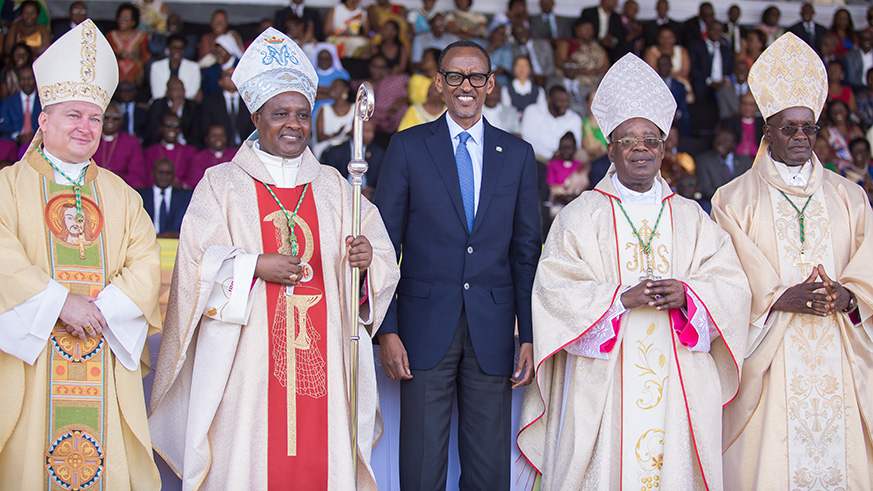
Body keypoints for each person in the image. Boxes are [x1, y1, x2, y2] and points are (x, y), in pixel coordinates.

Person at [148, 27, 400, 489]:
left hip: (321, 359)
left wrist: (365, 266)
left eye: (303, 114)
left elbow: (380, 263)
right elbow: (194, 266)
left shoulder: (337, 189)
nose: (294, 124)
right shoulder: (222, 184)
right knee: (246, 461)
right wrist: (251, 266)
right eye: (280, 113)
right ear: (255, 115)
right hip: (246, 363)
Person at [517, 52, 750, 489]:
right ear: (611, 149)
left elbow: (731, 285)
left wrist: (689, 294)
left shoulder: (692, 217)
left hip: (678, 378)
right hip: (604, 381)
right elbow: (552, 290)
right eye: (628, 140)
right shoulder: (580, 215)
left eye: (650, 140)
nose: (640, 149)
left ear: (664, 148)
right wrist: (620, 299)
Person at [0, 20, 162, 489]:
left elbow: (145, 263)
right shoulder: (8, 187)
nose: (86, 128)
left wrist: (99, 311)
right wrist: (59, 303)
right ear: (43, 119)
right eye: (73, 115)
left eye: (95, 118)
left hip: (101, 354)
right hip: (33, 364)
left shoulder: (122, 195)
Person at [374, 39, 540, 490]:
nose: (465, 86)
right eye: (454, 76)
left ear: (490, 84)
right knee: (422, 467)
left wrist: (528, 333)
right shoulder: (407, 148)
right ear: (440, 84)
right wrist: (386, 329)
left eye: (475, 77)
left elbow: (526, 254)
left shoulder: (519, 155)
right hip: (422, 329)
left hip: (493, 331)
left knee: (489, 472)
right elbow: (384, 245)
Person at [713, 32, 873, 490]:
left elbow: (869, 261)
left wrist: (849, 294)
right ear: (767, 130)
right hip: (770, 351)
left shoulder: (850, 196)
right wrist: (779, 296)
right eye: (788, 128)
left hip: (840, 350)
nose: (801, 137)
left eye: (809, 128)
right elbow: (724, 274)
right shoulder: (734, 198)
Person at [520, 85, 582, 163]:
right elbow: (528, 139)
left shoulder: (575, 118)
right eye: (561, 101)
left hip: (564, 157)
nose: (565, 104)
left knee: (581, 155)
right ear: (549, 100)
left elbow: (576, 144)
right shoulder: (532, 111)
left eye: (567, 101)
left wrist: (560, 155)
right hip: (538, 157)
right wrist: (549, 155)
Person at [93, 101, 146, 187]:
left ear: (121, 121)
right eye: (106, 117)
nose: (110, 121)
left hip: (120, 188)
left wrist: (115, 180)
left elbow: (137, 175)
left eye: (115, 118)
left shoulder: (131, 142)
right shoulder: (90, 139)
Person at [136, 157, 191, 237]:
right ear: (153, 173)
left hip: (174, 244)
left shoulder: (186, 198)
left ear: (173, 175)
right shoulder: (140, 196)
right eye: (160, 172)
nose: (164, 176)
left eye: (168, 173)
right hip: (146, 242)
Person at [199, 67, 253, 148]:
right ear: (220, 82)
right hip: (220, 148)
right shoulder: (210, 102)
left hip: (248, 147)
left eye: (235, 75)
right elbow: (205, 128)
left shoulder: (249, 101)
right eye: (228, 75)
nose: (232, 78)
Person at [696, 127, 752, 203]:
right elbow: (706, 189)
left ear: (734, 144)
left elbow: (749, 186)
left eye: (725, 140)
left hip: (743, 204)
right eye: (717, 139)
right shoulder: (704, 160)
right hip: (716, 205)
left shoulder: (745, 162)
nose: (720, 143)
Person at [143, 113, 196, 186]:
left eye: (176, 126)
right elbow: (147, 177)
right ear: (161, 128)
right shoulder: (150, 151)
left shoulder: (190, 151)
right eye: (168, 126)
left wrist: (182, 184)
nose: (172, 129)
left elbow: (193, 177)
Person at [108, 3, 150, 87]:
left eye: (126, 17)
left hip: (135, 69)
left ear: (133, 21)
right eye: (120, 17)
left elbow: (146, 56)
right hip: (115, 69)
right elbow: (106, 56)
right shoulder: (111, 35)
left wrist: (134, 58)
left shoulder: (142, 36)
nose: (122, 20)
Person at [149, 34, 200, 101]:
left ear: (184, 49)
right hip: (162, 104)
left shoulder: (194, 67)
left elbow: (192, 93)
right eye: (174, 48)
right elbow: (157, 94)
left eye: (180, 48)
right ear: (168, 48)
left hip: (185, 105)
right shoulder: (156, 66)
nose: (177, 51)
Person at [0, 65, 40, 150]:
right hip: (13, 142)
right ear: (18, 80)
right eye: (23, 79)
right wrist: (17, 136)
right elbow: (3, 126)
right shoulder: (7, 102)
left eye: (30, 79)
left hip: (38, 142)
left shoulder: (42, 101)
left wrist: (33, 136)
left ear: (35, 79)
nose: (26, 82)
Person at [184, 123, 235, 188]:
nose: (218, 138)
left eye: (222, 135)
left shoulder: (235, 155)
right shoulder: (198, 158)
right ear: (206, 139)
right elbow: (197, 182)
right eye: (214, 135)